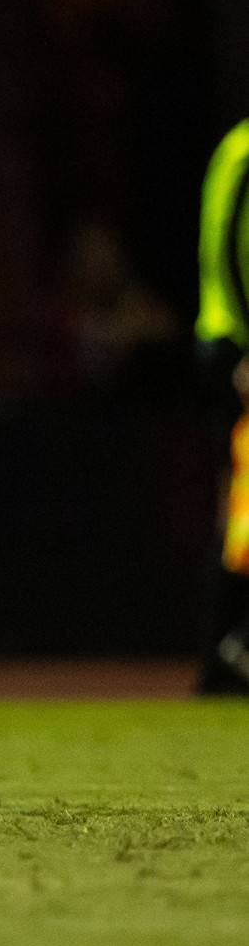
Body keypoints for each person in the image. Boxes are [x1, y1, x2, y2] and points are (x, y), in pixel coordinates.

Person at [194, 120, 249, 695]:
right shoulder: (243, 148)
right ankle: (223, 651)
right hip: (232, 343)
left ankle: (229, 649)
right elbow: (229, 249)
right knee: (239, 503)